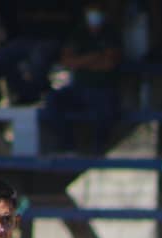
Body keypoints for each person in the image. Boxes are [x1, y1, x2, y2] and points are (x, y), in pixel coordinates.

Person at [39, 2, 123, 154]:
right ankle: (67, 146)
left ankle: (97, 148)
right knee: (53, 100)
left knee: (106, 109)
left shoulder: (111, 34)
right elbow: (67, 61)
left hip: (103, 90)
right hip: (79, 89)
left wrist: (81, 61)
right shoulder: (79, 33)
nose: (93, 15)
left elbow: (109, 63)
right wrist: (95, 57)